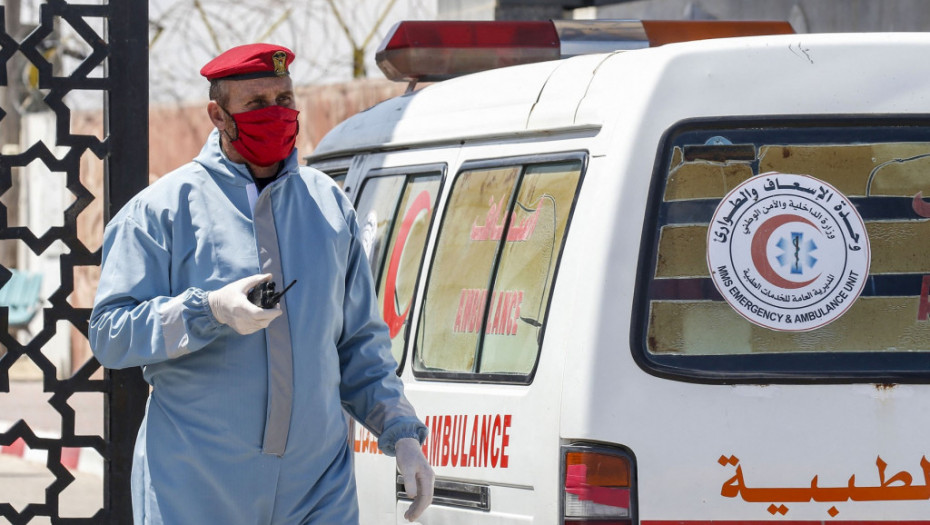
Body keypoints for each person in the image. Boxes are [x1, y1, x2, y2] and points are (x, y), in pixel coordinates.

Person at [89, 43, 434, 524]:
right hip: (196, 490)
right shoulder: (160, 212)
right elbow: (110, 334)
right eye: (257, 104)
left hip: (316, 489)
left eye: (285, 99)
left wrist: (401, 432)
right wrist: (206, 311)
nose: (277, 114)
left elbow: (359, 345)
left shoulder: (328, 208)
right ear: (218, 115)